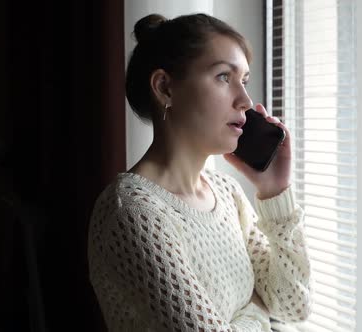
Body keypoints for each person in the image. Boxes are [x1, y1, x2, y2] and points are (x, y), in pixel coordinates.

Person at [88, 13, 312, 332]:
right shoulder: (132, 213)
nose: (245, 101)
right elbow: (268, 315)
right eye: (224, 77)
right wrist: (258, 313)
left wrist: (276, 192)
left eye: (244, 81)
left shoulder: (225, 191)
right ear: (165, 88)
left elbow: (292, 305)